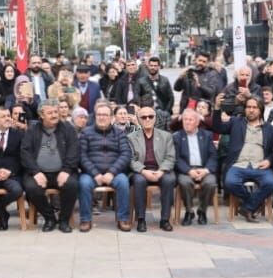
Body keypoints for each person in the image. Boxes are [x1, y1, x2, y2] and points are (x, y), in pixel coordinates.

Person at [19, 99, 79, 232]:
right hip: (39, 172)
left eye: (56, 112)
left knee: (72, 184)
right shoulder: (33, 130)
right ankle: (49, 218)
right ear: (41, 115)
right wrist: (35, 172)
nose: (54, 115)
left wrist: (66, 170)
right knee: (31, 187)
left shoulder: (68, 129)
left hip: (62, 171)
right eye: (50, 112)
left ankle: (64, 220)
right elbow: (25, 152)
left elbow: (73, 151)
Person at [221, 96, 273, 224]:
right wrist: (215, 108)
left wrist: (269, 161)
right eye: (248, 107)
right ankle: (252, 205)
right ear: (245, 109)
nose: (251, 110)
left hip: (260, 165)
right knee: (230, 182)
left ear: (260, 110)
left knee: (272, 183)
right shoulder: (236, 122)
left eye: (254, 107)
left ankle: (247, 208)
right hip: (239, 164)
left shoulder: (270, 129)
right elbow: (218, 128)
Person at [77, 101, 132, 231]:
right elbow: (81, 156)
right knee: (83, 183)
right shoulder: (86, 133)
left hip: (114, 173)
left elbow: (126, 154)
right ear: (95, 116)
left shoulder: (119, 133)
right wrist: (95, 173)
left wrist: (111, 172)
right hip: (91, 174)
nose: (102, 117)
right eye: (99, 114)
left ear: (111, 118)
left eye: (105, 115)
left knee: (124, 182)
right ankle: (85, 220)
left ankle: (123, 218)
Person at [126, 104, 175, 233]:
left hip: (160, 170)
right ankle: (141, 219)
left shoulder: (166, 136)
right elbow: (130, 159)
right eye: (143, 117)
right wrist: (143, 170)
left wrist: (161, 171)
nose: (147, 119)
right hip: (141, 171)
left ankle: (165, 219)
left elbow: (170, 157)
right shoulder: (131, 137)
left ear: (155, 118)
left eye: (150, 116)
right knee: (139, 181)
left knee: (169, 180)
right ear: (139, 119)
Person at [173, 106, 218, 226]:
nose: (187, 122)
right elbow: (176, 158)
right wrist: (188, 171)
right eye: (185, 120)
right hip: (186, 170)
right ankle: (189, 211)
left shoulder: (207, 135)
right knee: (184, 182)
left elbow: (213, 156)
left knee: (210, 183)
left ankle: (202, 211)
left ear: (197, 122)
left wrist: (206, 170)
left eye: (190, 120)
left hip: (204, 168)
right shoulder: (177, 137)